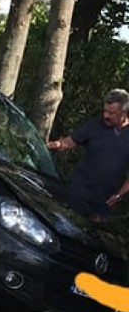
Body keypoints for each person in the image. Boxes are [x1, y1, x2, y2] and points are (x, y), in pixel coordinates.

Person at [47, 88, 129, 220]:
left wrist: (119, 195)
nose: (106, 116)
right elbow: (71, 141)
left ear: (124, 113)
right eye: (105, 111)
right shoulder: (96, 125)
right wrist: (57, 144)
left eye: (111, 113)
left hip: (104, 203)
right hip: (78, 192)